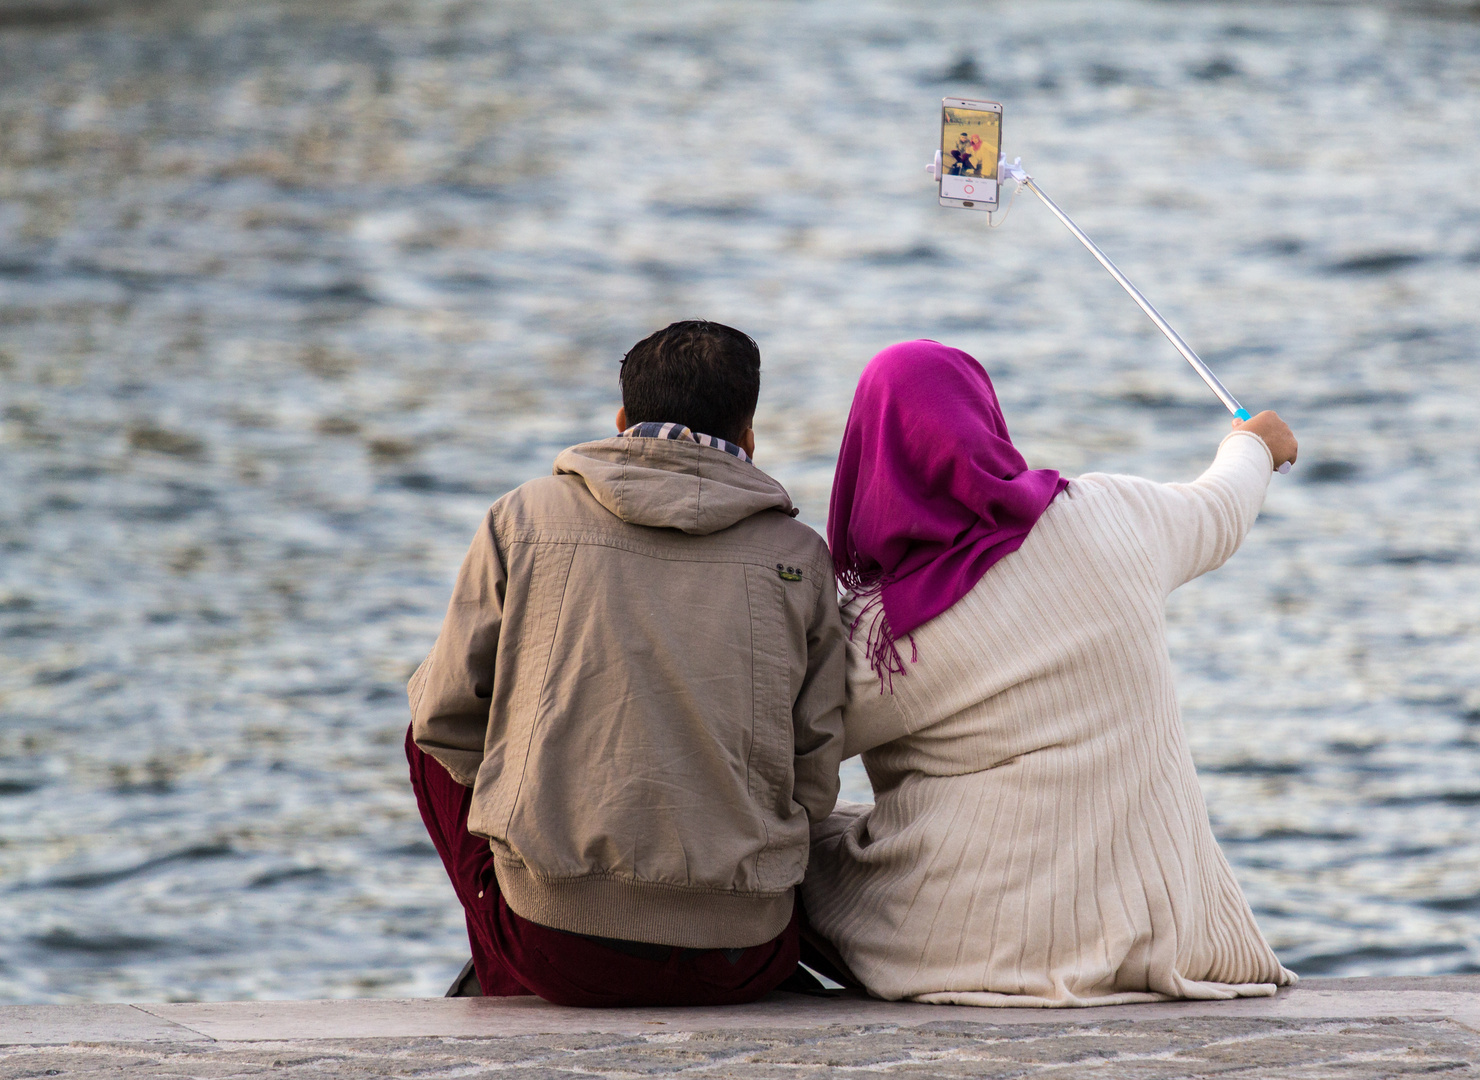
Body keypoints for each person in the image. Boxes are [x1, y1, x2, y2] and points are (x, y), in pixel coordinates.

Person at [802, 339, 1299, 1006]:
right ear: (987, 424)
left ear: (871, 457)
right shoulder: (1115, 514)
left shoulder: (881, 632)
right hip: (1173, 931)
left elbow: (788, 753)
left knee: (798, 848)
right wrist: (1255, 445)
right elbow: (1221, 509)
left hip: (975, 939)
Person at [405, 320, 846, 1007]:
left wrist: (523, 796)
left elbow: (441, 720)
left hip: (556, 947)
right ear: (749, 435)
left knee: (424, 722)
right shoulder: (800, 557)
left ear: (620, 421)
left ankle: (498, 971)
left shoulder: (520, 519)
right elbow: (814, 780)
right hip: (740, 953)